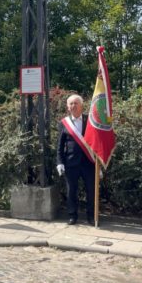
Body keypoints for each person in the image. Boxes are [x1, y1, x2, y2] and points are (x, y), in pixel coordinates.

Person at [56, 94, 95, 225]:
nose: (73, 106)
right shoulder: (63, 123)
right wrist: (60, 162)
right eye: (71, 104)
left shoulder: (90, 120)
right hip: (71, 163)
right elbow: (59, 146)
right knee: (71, 191)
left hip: (88, 163)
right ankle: (72, 215)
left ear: (81, 105)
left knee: (91, 191)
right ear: (68, 107)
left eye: (76, 103)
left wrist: (99, 162)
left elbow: (97, 142)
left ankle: (91, 216)